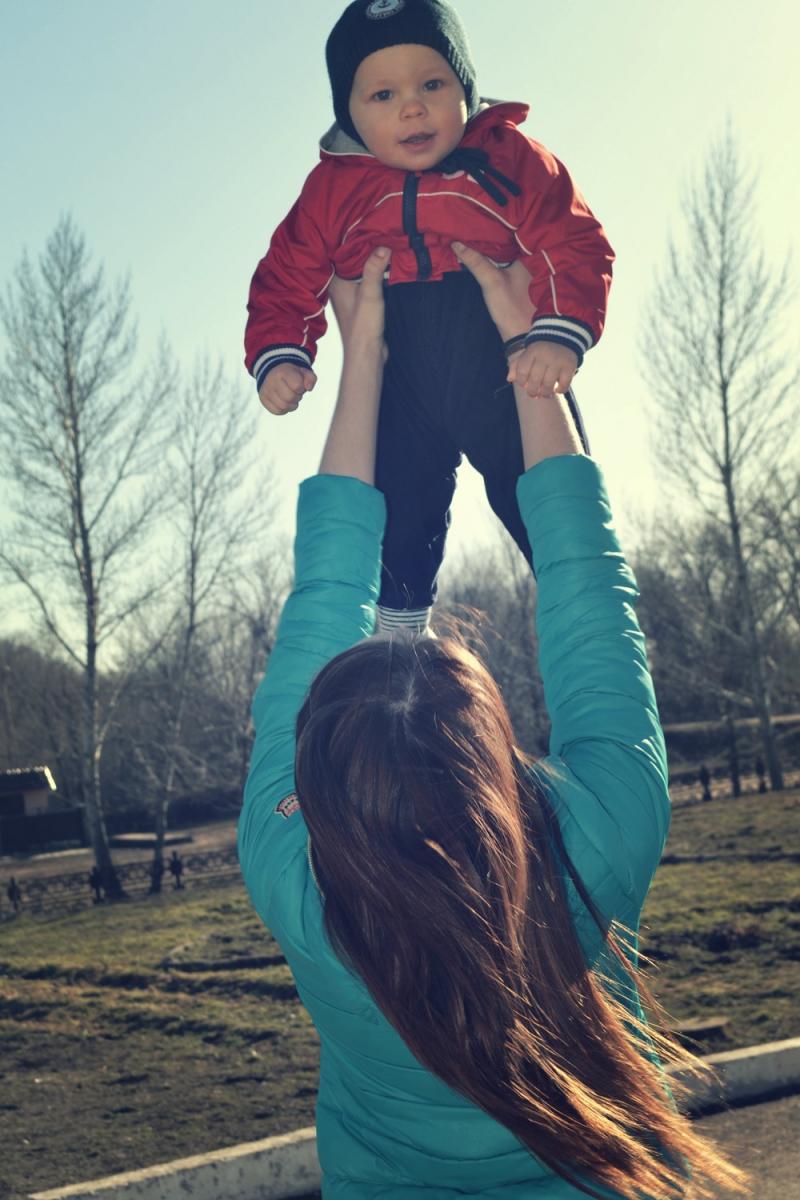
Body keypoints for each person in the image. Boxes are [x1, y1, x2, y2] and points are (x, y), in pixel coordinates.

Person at [238, 244, 748, 1199]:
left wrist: (365, 368)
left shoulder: (300, 878)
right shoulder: (589, 842)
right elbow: (579, 587)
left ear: (317, 765)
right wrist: (526, 348)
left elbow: (578, 578)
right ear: (491, 748)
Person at [245, 0, 614, 634]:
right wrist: (281, 351)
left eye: (432, 85)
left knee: (542, 493)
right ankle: (399, 642)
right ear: (350, 114)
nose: (411, 107)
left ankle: (586, 616)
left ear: (466, 88)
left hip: (499, 353)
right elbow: (287, 272)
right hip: (400, 363)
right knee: (399, 508)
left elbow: (574, 240)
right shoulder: (332, 188)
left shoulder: (509, 155)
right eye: (383, 94)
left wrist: (558, 332)